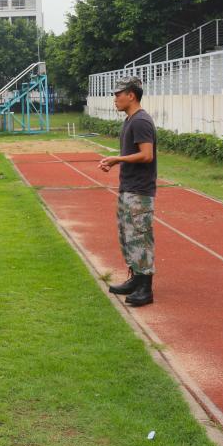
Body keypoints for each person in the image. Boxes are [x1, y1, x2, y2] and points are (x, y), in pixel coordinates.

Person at [99, 76, 157, 307]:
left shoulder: (141, 121)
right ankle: (136, 279)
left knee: (140, 237)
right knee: (128, 237)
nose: (115, 99)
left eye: (118, 94)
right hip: (129, 188)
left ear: (131, 95)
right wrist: (116, 162)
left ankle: (145, 288)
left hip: (139, 191)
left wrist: (117, 159)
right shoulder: (130, 120)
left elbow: (147, 155)